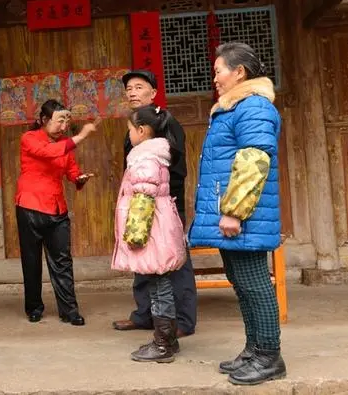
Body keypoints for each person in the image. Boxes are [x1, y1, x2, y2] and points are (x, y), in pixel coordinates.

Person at [188, 42, 285, 385]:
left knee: (255, 284)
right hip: (236, 216)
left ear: (239, 72)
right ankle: (254, 349)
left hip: (245, 217)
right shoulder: (235, 108)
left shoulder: (253, 106)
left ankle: (270, 356)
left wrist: (234, 212)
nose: (214, 78)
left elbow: (255, 159)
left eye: (218, 71)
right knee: (242, 283)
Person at [112, 70, 197, 338]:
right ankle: (144, 314)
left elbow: (175, 169)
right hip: (141, 202)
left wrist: (163, 203)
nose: (132, 92)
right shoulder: (135, 126)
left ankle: (182, 320)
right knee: (141, 252)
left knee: (174, 260)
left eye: (139, 87)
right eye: (129, 89)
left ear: (154, 93)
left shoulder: (166, 124)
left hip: (164, 203)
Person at [111, 104, 187, 363]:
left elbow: (143, 199)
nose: (129, 134)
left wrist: (134, 236)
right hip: (159, 226)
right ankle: (166, 339)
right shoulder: (155, 155)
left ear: (142, 131)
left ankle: (163, 343)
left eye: (130, 129)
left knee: (159, 286)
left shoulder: (144, 158)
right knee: (158, 284)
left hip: (151, 230)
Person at [16, 99, 98, 325]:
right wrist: (80, 136)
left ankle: (69, 310)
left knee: (62, 261)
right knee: (31, 261)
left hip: (57, 208)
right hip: (30, 206)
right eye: (59, 120)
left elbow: (71, 170)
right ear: (44, 120)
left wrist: (78, 178)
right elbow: (47, 153)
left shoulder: (64, 144)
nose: (64, 125)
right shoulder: (29, 139)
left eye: (66, 120)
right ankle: (33, 307)